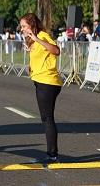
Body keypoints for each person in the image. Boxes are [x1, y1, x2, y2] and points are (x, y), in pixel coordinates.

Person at [20, 13, 62, 164]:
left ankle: (52, 154)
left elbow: (56, 51)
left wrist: (37, 39)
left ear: (32, 25)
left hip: (48, 82)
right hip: (40, 80)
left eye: (24, 26)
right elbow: (40, 58)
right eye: (22, 26)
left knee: (47, 118)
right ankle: (52, 153)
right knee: (46, 118)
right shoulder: (32, 41)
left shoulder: (42, 35)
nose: (22, 29)